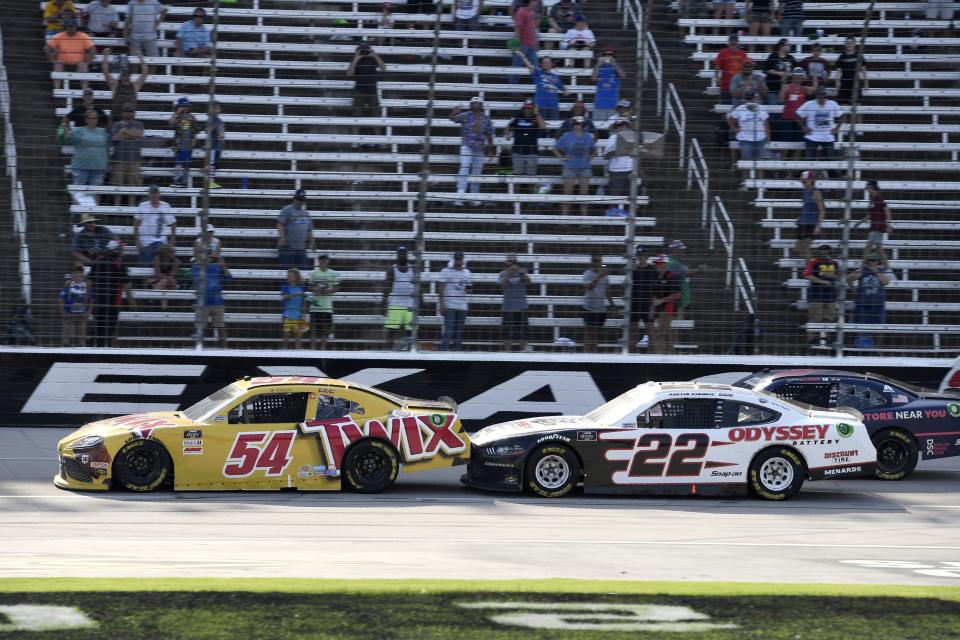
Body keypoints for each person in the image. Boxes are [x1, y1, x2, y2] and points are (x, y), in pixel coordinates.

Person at [89, 239, 133, 347]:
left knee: (99, 330)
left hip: (98, 302)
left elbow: (89, 282)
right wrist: (132, 303)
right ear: (116, 250)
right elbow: (126, 286)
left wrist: (89, 300)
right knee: (109, 332)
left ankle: (96, 352)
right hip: (113, 303)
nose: (122, 250)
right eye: (121, 248)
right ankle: (105, 354)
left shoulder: (98, 262)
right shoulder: (120, 265)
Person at [450, 98, 494, 205]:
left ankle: (474, 196)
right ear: (471, 105)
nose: (476, 105)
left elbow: (489, 133)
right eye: (474, 103)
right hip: (467, 145)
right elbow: (453, 119)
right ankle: (460, 194)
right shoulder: (465, 115)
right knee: (464, 167)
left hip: (479, 147)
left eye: (478, 103)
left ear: (481, 105)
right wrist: (453, 113)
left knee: (477, 171)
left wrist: (490, 148)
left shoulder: (486, 118)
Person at [848, 252, 891, 349]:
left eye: (874, 260)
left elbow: (886, 282)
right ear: (867, 262)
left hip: (878, 304)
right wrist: (854, 290)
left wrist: (875, 271)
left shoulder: (881, 270)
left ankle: (878, 349)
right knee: (862, 328)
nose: (872, 262)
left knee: (880, 328)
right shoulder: (861, 270)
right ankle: (863, 348)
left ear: (877, 262)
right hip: (863, 304)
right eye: (870, 260)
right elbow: (849, 279)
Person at [554, 116, 595, 215]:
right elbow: (555, 148)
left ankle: (584, 219)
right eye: (576, 124)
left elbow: (594, 149)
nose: (578, 126)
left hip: (585, 167)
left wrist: (591, 156)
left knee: (584, 195)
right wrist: (561, 157)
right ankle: (564, 218)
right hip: (570, 167)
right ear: (573, 125)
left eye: (580, 124)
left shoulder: (588, 136)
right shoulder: (566, 136)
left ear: (583, 125)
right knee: (567, 195)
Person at [346, 43, 386, 144]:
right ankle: (355, 141)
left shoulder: (373, 59)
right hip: (359, 91)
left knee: (376, 116)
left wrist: (375, 55)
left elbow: (384, 68)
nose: (364, 52)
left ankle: (378, 141)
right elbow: (349, 73)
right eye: (362, 50)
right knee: (356, 116)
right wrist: (356, 57)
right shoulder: (356, 60)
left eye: (366, 50)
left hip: (372, 91)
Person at [727, 90, 770, 182]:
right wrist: (735, 129)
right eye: (749, 98)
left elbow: (765, 123)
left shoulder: (761, 108)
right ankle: (745, 182)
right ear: (746, 99)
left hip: (760, 138)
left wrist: (768, 136)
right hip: (745, 138)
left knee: (760, 162)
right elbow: (730, 119)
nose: (751, 100)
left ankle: (760, 183)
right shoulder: (740, 108)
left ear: (755, 98)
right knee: (746, 161)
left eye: (752, 98)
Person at [505, 100, 546, 192]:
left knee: (531, 178)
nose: (527, 110)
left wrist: (537, 113)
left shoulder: (536, 118)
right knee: (516, 178)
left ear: (532, 109)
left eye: (529, 108)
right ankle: (515, 199)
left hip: (532, 152)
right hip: (517, 151)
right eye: (526, 108)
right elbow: (508, 127)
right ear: (523, 108)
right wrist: (507, 134)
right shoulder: (517, 117)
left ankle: (530, 200)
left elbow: (543, 127)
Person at [803, 244, 838, 346]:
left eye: (827, 251)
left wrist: (833, 276)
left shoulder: (834, 263)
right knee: (815, 319)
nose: (824, 253)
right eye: (822, 251)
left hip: (830, 295)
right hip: (816, 295)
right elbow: (807, 275)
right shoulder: (813, 262)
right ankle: (811, 341)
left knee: (829, 319)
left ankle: (826, 339)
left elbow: (838, 276)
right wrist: (822, 280)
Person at [134, 184, 176, 268]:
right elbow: (136, 224)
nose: (154, 195)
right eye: (152, 193)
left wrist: (172, 242)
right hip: (146, 243)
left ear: (159, 194)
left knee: (161, 260)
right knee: (144, 268)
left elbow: (173, 224)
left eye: (156, 193)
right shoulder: (143, 206)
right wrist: (137, 242)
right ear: (148, 194)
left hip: (161, 243)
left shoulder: (166, 206)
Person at [192, 255, 230, 348]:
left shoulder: (217, 267)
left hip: (217, 302)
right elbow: (197, 280)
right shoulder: (195, 267)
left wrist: (223, 264)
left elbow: (229, 277)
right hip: (202, 303)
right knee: (200, 328)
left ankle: (224, 350)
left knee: (221, 327)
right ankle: (199, 349)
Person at [66, 110, 110, 190]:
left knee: (96, 192)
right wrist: (66, 132)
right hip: (81, 167)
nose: (94, 120)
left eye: (96, 118)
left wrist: (107, 163)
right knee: (78, 192)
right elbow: (68, 140)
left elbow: (107, 148)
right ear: (86, 120)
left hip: (98, 167)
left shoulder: (103, 132)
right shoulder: (77, 131)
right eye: (92, 118)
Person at [102, 48, 149, 122]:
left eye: (128, 75)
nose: (126, 77)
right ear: (121, 76)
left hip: (130, 121)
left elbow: (145, 73)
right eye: (124, 75)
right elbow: (105, 71)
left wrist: (141, 58)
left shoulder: (134, 86)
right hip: (116, 120)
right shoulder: (115, 85)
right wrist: (105, 56)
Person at [796, 88, 843, 161]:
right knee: (808, 161)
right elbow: (797, 115)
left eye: (823, 94)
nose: (821, 96)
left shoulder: (833, 104)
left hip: (828, 136)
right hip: (812, 136)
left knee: (830, 163)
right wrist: (804, 127)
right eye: (819, 94)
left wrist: (837, 128)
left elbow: (842, 117)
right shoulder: (809, 104)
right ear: (816, 95)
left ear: (826, 94)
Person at [110, 104, 144, 204]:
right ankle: (116, 209)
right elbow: (115, 138)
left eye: (130, 111)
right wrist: (131, 134)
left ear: (133, 113)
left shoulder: (139, 124)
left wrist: (124, 132)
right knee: (117, 187)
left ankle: (132, 210)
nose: (128, 113)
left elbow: (139, 135)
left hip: (134, 160)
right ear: (122, 113)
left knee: (133, 188)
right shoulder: (116, 124)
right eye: (126, 111)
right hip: (118, 160)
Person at [46, 18, 95, 88]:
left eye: (72, 26)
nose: (70, 28)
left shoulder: (83, 36)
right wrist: (53, 61)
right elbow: (47, 48)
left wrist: (87, 63)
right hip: (63, 63)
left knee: (83, 66)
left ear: (76, 27)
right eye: (68, 26)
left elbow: (92, 49)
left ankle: (85, 92)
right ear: (65, 27)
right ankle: (58, 91)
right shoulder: (59, 36)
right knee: (57, 65)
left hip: (79, 64)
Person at [581, 255, 616, 352]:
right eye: (595, 261)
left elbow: (607, 290)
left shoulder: (604, 276)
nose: (597, 263)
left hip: (601, 309)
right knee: (589, 334)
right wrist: (598, 276)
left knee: (596, 335)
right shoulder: (587, 273)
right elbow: (589, 287)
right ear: (591, 262)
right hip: (589, 308)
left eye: (599, 261)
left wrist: (612, 305)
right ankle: (586, 356)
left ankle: (594, 356)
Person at [438, 252, 471, 351]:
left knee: (459, 332)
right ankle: (443, 350)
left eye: (460, 259)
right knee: (449, 330)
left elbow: (469, 288)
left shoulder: (467, 272)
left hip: (462, 305)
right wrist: (442, 304)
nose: (458, 261)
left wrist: (468, 289)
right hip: (450, 305)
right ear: (454, 259)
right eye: (457, 259)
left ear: (463, 260)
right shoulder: (446, 271)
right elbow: (440, 288)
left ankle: (458, 351)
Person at [383, 246, 414, 349]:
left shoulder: (412, 269)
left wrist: (421, 300)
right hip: (395, 303)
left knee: (410, 330)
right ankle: (388, 351)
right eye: (400, 254)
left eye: (403, 254)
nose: (402, 256)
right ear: (397, 256)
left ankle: (410, 351)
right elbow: (387, 286)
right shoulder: (392, 269)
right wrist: (384, 301)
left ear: (407, 255)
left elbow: (417, 286)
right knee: (392, 330)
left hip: (409, 304)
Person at [649, 254, 681, 354]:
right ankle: (672, 355)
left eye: (660, 263)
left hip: (668, 310)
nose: (658, 266)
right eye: (657, 264)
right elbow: (654, 296)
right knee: (667, 336)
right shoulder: (657, 277)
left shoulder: (671, 276)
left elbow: (677, 295)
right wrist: (652, 309)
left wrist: (662, 300)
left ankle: (659, 356)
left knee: (660, 334)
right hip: (660, 311)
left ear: (665, 264)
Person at [517, 53, 564, 120]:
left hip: (553, 107)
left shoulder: (556, 77)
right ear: (541, 64)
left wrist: (566, 91)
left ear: (551, 64)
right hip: (540, 106)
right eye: (544, 62)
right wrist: (523, 56)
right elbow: (529, 66)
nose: (546, 64)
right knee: (541, 129)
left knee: (554, 129)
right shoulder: (538, 72)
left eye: (548, 62)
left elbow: (563, 89)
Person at [307, 254, 339, 350]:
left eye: (326, 260)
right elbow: (308, 287)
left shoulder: (333, 273)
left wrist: (330, 290)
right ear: (319, 261)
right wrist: (315, 289)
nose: (324, 262)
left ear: (328, 261)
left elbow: (337, 287)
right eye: (322, 260)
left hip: (327, 306)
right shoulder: (313, 273)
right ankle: (313, 349)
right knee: (314, 330)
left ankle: (322, 349)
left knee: (325, 330)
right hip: (315, 306)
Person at [499, 254, 531, 351]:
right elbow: (502, 286)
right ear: (506, 262)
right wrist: (509, 273)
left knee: (523, 331)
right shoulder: (503, 273)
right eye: (510, 261)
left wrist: (522, 273)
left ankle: (523, 350)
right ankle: (507, 351)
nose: (512, 264)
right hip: (508, 306)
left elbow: (529, 283)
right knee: (507, 331)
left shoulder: (522, 272)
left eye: (514, 261)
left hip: (521, 305)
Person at [277, 188, 315, 268]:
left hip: (301, 249)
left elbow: (309, 229)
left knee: (302, 274)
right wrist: (282, 238)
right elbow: (280, 224)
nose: (300, 202)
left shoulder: (306, 213)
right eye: (298, 199)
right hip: (287, 248)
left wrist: (312, 241)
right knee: (285, 273)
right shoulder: (287, 209)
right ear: (294, 198)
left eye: (301, 200)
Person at [855, 180, 892, 261]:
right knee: (879, 249)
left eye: (867, 188)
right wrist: (859, 222)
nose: (867, 190)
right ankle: (887, 268)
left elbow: (887, 210)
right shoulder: (873, 198)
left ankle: (862, 266)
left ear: (871, 187)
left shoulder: (878, 197)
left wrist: (888, 224)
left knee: (868, 247)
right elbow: (870, 214)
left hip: (878, 226)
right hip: (875, 225)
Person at [777, 68, 812, 150]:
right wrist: (783, 83)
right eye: (796, 76)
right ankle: (783, 160)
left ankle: (796, 161)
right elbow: (780, 100)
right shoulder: (786, 87)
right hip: (787, 118)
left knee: (799, 142)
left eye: (800, 76)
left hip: (800, 119)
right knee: (786, 141)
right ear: (792, 77)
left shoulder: (804, 88)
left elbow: (815, 89)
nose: (797, 78)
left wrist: (813, 76)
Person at [602, 118, 636, 200]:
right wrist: (617, 149)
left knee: (629, 195)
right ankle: (614, 212)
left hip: (630, 169)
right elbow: (606, 155)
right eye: (621, 125)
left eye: (625, 125)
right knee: (614, 196)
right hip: (616, 170)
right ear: (617, 127)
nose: (623, 127)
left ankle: (627, 212)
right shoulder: (613, 138)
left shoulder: (634, 138)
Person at [628, 250, 655, 351]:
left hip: (647, 304)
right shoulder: (633, 270)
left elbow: (655, 289)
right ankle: (631, 359)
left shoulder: (652, 269)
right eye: (639, 255)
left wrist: (653, 307)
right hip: (634, 304)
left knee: (651, 333)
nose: (641, 257)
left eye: (643, 254)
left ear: (647, 256)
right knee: (632, 334)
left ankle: (653, 359)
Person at [795, 170, 825, 260]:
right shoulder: (806, 191)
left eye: (804, 181)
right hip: (803, 223)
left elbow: (822, 210)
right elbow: (807, 207)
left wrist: (818, 226)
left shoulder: (816, 192)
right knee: (798, 248)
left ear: (811, 180)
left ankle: (811, 270)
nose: (803, 183)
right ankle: (812, 266)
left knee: (804, 249)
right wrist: (800, 217)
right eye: (802, 181)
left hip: (811, 224)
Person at [591, 47, 624, 123]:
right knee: (598, 129)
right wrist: (598, 64)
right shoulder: (599, 67)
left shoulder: (618, 66)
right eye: (605, 54)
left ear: (614, 56)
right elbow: (593, 78)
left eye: (610, 55)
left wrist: (614, 64)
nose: (608, 56)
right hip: (599, 104)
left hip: (613, 105)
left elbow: (623, 76)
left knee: (612, 129)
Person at [60, 266, 92, 346]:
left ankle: (81, 350)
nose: (77, 277)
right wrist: (62, 310)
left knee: (81, 335)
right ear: (73, 275)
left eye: (80, 275)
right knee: (68, 336)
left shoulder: (86, 286)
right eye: (75, 274)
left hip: (82, 314)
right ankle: (66, 349)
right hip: (69, 313)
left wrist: (89, 311)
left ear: (82, 275)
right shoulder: (68, 285)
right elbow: (61, 298)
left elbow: (91, 299)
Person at [510, 0, 540, 85]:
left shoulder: (532, 12)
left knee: (536, 68)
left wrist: (536, 42)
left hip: (532, 45)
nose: (537, 3)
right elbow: (517, 28)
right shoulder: (521, 11)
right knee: (516, 69)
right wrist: (517, 44)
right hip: (522, 44)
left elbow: (533, 29)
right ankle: (511, 90)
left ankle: (538, 88)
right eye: (535, 1)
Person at [169, 97, 196, 188]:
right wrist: (177, 112)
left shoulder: (192, 117)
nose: (185, 108)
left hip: (188, 144)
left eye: (187, 106)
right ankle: (177, 180)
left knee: (186, 164)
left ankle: (184, 180)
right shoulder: (177, 117)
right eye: (183, 106)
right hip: (178, 144)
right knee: (178, 162)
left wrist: (193, 141)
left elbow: (195, 130)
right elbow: (170, 123)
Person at [713, 35, 749, 104]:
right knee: (724, 108)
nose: (733, 43)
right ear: (728, 42)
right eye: (732, 41)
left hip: (739, 86)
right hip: (726, 85)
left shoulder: (743, 54)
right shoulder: (722, 52)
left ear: (738, 43)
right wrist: (717, 78)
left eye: (735, 41)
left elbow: (747, 67)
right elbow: (717, 66)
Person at [834, 36, 869, 105]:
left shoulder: (859, 56)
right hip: (844, 84)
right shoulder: (842, 56)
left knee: (858, 107)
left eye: (851, 43)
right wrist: (837, 81)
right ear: (845, 45)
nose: (849, 45)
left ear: (854, 44)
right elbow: (839, 70)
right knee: (843, 108)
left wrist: (866, 83)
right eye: (847, 43)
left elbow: (864, 70)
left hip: (856, 83)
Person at [763, 38, 796, 105]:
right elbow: (766, 69)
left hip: (787, 90)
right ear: (781, 46)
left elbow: (796, 71)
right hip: (773, 89)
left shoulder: (791, 58)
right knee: (773, 110)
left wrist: (788, 74)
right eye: (788, 45)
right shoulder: (773, 56)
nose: (790, 46)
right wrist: (778, 73)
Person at [281, 268, 307, 350]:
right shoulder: (285, 286)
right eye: (287, 276)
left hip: (297, 315)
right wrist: (296, 294)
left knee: (298, 336)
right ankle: (284, 351)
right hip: (287, 315)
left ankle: (298, 351)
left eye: (290, 276)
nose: (288, 277)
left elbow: (304, 302)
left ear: (296, 277)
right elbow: (285, 296)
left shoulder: (301, 287)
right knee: (286, 334)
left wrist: (304, 314)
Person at [207, 100, 225, 189]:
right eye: (215, 108)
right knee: (211, 164)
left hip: (218, 146)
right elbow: (207, 131)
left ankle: (211, 181)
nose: (217, 110)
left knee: (214, 164)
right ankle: (210, 182)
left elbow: (221, 132)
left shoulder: (220, 120)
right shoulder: (211, 119)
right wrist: (215, 126)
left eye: (218, 108)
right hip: (213, 146)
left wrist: (222, 138)